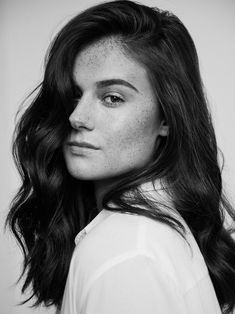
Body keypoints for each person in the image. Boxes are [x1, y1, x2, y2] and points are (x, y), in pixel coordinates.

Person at [6, 0, 235, 313]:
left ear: (167, 118)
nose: (76, 116)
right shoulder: (148, 234)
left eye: (112, 98)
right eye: (73, 95)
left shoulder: (124, 254)